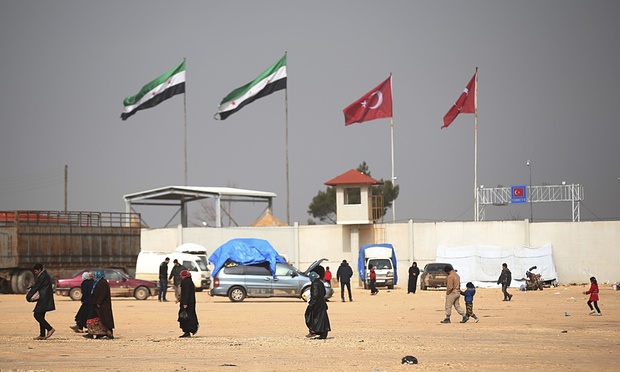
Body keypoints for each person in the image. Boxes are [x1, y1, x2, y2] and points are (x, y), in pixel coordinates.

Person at [26, 263, 56, 340]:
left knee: (37, 315)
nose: (35, 273)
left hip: (44, 298)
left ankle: (49, 328)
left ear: (39, 270)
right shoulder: (44, 275)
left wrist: (29, 296)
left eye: (36, 271)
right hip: (45, 298)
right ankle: (42, 334)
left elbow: (37, 286)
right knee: (41, 315)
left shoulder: (42, 276)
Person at [86, 271, 115, 339]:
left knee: (104, 320)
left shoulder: (103, 283)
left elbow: (102, 294)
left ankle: (107, 333)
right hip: (98, 305)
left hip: (102, 305)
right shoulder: (99, 282)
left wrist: (99, 302)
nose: (94, 278)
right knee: (97, 319)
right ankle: (97, 333)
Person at [306, 265, 330, 339]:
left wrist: (311, 304)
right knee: (321, 318)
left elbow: (315, 295)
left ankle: (315, 331)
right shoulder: (320, 282)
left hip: (317, 305)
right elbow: (324, 293)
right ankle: (322, 332)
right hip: (321, 303)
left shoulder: (315, 284)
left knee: (312, 317)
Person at [178, 269, 199, 337]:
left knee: (185, 317)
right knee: (189, 316)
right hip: (190, 303)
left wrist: (185, 303)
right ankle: (190, 330)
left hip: (187, 303)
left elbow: (187, 293)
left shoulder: (186, 282)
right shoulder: (189, 281)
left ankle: (187, 331)